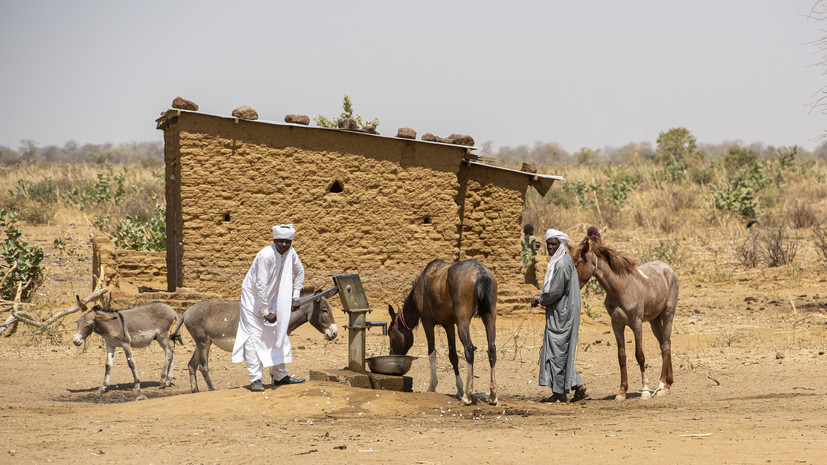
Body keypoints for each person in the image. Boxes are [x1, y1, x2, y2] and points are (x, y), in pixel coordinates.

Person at [232, 224, 306, 392]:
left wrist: (295, 296)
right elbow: (260, 286)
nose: (284, 245)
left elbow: (300, 272)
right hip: (252, 299)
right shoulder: (266, 255)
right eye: (280, 241)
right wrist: (266, 312)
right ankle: (255, 379)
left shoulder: (290, 253)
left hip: (271, 296)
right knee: (253, 338)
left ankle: (280, 376)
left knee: (278, 333)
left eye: (287, 242)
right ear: (274, 240)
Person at [530, 228, 588, 403]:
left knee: (557, 351)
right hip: (562, 312)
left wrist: (540, 300)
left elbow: (554, 291)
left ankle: (566, 390)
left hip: (562, 314)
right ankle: (571, 387)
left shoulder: (562, 264)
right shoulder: (562, 260)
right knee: (559, 351)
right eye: (548, 244)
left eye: (553, 244)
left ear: (560, 244)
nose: (550, 247)